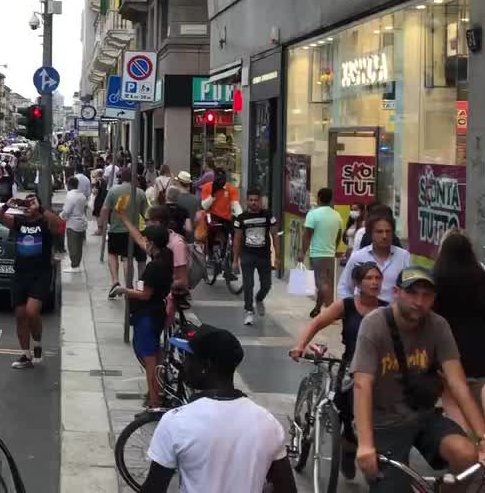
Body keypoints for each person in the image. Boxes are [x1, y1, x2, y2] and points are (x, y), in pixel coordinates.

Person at [350, 266, 485, 488]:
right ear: (396, 292)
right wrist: (365, 444)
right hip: (383, 421)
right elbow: (362, 384)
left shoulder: (438, 325)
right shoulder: (375, 324)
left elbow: (458, 383)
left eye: (427, 295)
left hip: (422, 414)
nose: (419, 301)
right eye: (412, 293)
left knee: (466, 455)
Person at [142, 326, 296, 493]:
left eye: (189, 358)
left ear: (206, 366)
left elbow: (153, 488)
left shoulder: (177, 422)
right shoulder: (268, 424)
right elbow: (287, 488)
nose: (184, 364)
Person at [290, 261, 387, 479]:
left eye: (377, 278)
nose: (374, 283)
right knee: (351, 419)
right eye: (369, 278)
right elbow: (316, 323)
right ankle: (348, 449)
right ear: (357, 283)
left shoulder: (386, 309)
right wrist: (300, 345)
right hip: (351, 371)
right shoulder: (346, 306)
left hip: (379, 373)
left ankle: (365, 453)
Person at [431, 232, 485, 432]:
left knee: (454, 405)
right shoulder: (482, 277)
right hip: (483, 351)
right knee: (482, 409)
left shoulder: (435, 278)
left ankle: (466, 452)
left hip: (450, 353)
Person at [0, 194, 64, 370]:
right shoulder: (19, 221)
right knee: (20, 315)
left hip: (41, 273)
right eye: (26, 202)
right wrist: (7, 205)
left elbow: (60, 226)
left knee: (32, 312)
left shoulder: (45, 222)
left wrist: (39, 208)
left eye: (32, 202)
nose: (28, 206)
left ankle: (37, 343)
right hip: (20, 274)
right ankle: (26, 354)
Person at [115, 223, 174, 407]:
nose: (145, 243)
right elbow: (139, 239)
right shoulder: (166, 256)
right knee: (155, 357)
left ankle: (154, 402)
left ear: (153, 243)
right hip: (157, 314)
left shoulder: (155, 267)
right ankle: (159, 392)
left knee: (150, 361)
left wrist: (124, 290)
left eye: (148, 241)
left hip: (147, 315)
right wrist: (125, 219)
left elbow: (145, 294)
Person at [336, 208, 412, 305]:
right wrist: (353, 309)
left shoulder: (404, 256)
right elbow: (344, 287)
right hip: (364, 314)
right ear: (370, 234)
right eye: (379, 232)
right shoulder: (358, 257)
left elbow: (410, 289)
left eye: (388, 231)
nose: (384, 236)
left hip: (392, 315)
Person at [232, 188, 279, 326]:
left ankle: (259, 299)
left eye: (256, 200)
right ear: (247, 201)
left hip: (264, 256)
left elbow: (275, 235)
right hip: (247, 256)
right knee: (248, 285)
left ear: (260, 201)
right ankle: (249, 311)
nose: (253, 203)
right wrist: (235, 261)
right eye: (251, 200)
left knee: (267, 285)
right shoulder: (241, 218)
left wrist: (277, 256)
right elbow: (237, 239)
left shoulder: (268, 215)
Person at [102, 168, 146, 298]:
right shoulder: (140, 193)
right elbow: (146, 213)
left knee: (112, 254)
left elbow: (105, 209)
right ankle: (133, 287)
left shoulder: (113, 190)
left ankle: (115, 281)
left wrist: (104, 224)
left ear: (121, 178)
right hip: (135, 232)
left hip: (116, 230)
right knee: (130, 258)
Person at [302, 187, 344, 316]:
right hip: (330, 255)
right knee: (326, 283)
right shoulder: (337, 215)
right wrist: (334, 248)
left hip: (317, 255)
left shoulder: (313, 214)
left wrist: (302, 252)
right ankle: (317, 308)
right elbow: (339, 235)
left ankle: (332, 310)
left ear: (319, 198)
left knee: (321, 283)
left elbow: (307, 235)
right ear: (330, 199)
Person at [60, 176, 88, 269]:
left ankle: (74, 265)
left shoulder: (70, 195)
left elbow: (67, 210)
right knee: (79, 246)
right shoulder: (82, 195)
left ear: (69, 185)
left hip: (72, 224)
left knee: (72, 246)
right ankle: (77, 264)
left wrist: (60, 216)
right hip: (81, 223)